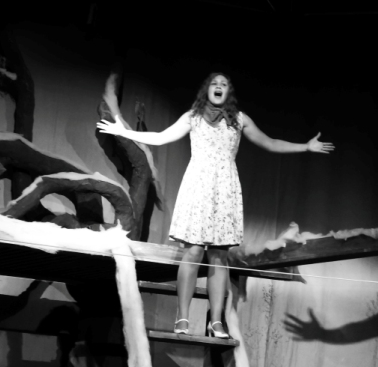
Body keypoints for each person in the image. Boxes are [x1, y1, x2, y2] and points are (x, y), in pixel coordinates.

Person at [97, 72, 333, 338]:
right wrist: (123, 132)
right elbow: (162, 137)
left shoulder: (239, 120)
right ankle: (182, 317)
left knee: (219, 256)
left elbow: (269, 143)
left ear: (229, 92)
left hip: (225, 190)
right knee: (194, 252)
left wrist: (305, 147)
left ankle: (216, 321)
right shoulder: (193, 117)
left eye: (224, 84)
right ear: (206, 90)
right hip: (198, 188)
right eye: (214, 83)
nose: (219, 86)